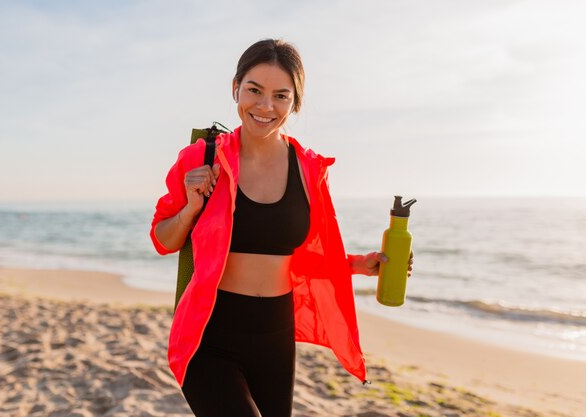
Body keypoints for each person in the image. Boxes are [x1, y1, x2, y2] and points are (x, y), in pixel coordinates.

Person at [150, 39, 414, 417]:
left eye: (281, 96)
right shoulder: (203, 156)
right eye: (254, 90)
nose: (265, 106)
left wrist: (360, 264)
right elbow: (163, 239)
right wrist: (192, 208)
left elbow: (306, 254)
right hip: (209, 334)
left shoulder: (308, 170)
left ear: (295, 103)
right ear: (236, 88)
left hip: (275, 337)